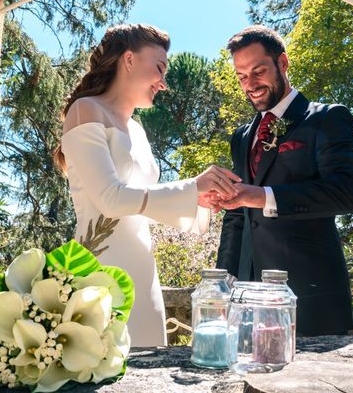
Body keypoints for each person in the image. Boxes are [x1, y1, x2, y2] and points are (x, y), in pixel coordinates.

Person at [53, 24, 240, 347]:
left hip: (143, 271)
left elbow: (142, 205)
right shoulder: (85, 111)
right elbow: (110, 199)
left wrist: (199, 198)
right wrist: (190, 187)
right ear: (128, 60)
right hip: (100, 270)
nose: (164, 83)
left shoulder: (138, 131)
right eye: (159, 68)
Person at [215, 25, 353, 336]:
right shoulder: (242, 137)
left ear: (282, 63)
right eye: (242, 77)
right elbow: (236, 218)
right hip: (246, 302)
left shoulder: (326, 118)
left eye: (258, 71)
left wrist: (264, 197)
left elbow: (352, 191)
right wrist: (222, 284)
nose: (251, 84)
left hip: (309, 298)